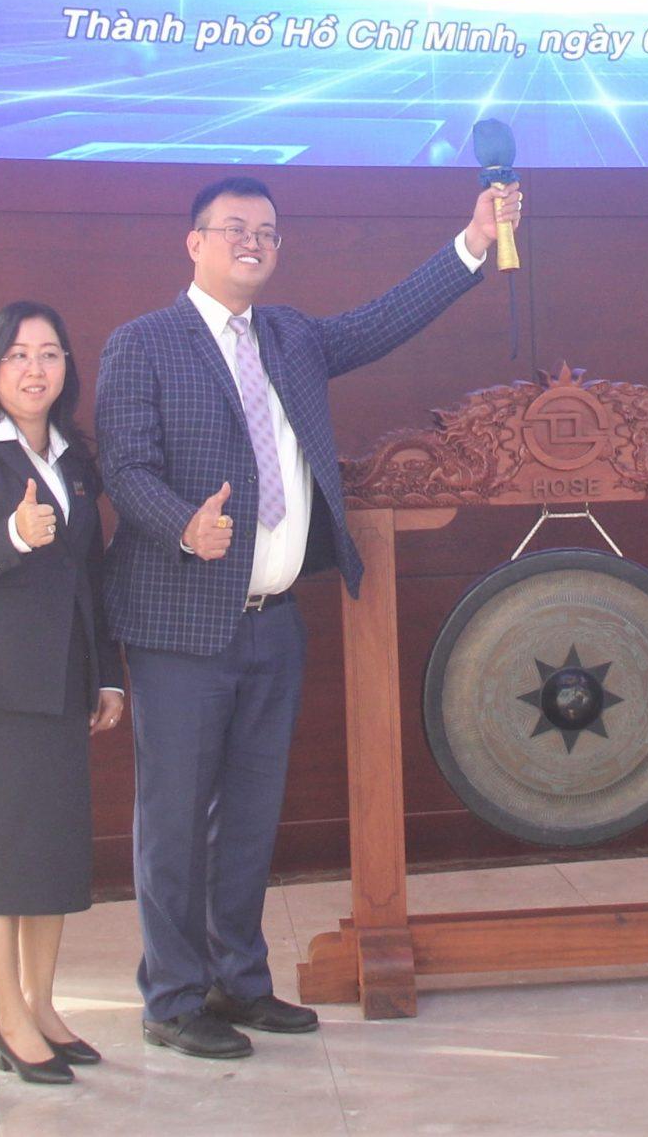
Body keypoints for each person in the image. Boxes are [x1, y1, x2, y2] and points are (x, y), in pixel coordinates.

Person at [97, 174, 522, 1059]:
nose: (253, 241)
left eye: (268, 230)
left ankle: (239, 980)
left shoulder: (291, 336)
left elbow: (384, 320)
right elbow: (125, 466)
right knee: (175, 820)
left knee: (251, 816)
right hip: (181, 622)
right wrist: (183, 525)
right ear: (195, 242)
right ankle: (173, 997)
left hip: (274, 622)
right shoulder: (143, 343)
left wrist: (474, 242)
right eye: (234, 227)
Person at [0, 301, 126, 1087]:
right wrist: (14, 535)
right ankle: (8, 1015)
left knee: (51, 855)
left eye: (49, 353)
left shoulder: (76, 455)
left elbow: (91, 573)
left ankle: (42, 1007)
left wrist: (106, 673)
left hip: (63, 683)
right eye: (18, 354)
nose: (35, 368)